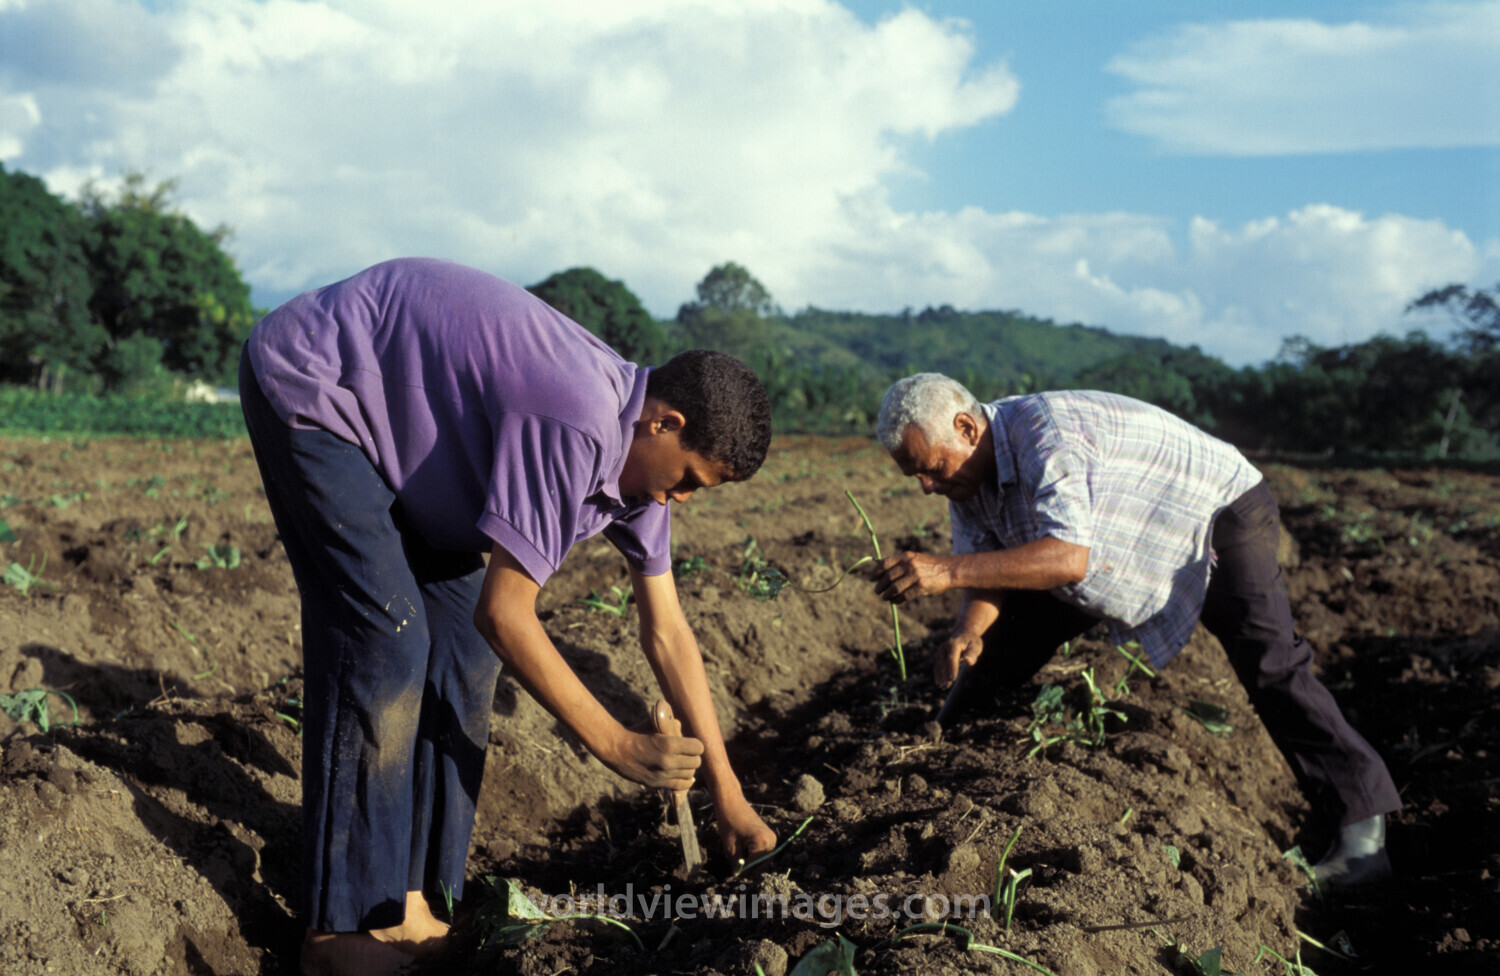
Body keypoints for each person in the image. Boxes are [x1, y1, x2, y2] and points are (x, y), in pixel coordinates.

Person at [239, 258, 778, 976]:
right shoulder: (580, 419)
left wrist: (729, 795)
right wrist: (615, 744)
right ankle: (337, 931)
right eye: (688, 480)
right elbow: (508, 612)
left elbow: (667, 630)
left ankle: (410, 899)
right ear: (665, 421)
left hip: (413, 446)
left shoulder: (643, 477)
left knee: (461, 650)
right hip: (322, 388)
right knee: (383, 635)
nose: (681, 502)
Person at [869, 373, 1400, 887]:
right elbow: (984, 562)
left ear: (966, 428)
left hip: (1216, 511)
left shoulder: (1044, 436)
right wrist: (967, 628)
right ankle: (942, 742)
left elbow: (1067, 558)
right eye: (915, 475)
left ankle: (1362, 835)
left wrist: (943, 571)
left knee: (1270, 662)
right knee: (1003, 643)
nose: (927, 487)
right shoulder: (966, 478)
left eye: (933, 469)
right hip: (1115, 542)